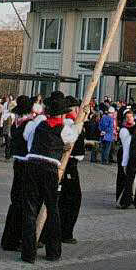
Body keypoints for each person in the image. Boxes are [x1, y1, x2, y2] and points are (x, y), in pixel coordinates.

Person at [21, 92, 78, 264]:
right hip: (49, 168)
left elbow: (28, 141)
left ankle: (28, 254)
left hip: (32, 164)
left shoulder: (39, 125)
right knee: (53, 209)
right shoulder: (65, 129)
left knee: (30, 210)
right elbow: (73, 138)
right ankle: (53, 252)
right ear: (61, 113)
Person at [1, 95, 34, 251]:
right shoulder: (28, 124)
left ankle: (10, 239)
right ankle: (16, 239)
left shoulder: (17, 122)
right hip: (25, 164)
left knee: (16, 201)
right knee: (22, 201)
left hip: (18, 162)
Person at [59, 97, 85, 243]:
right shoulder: (67, 124)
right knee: (71, 199)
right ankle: (65, 232)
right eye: (76, 108)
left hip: (72, 164)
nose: (78, 111)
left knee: (70, 199)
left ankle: (65, 230)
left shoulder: (73, 123)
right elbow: (72, 137)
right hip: (68, 164)